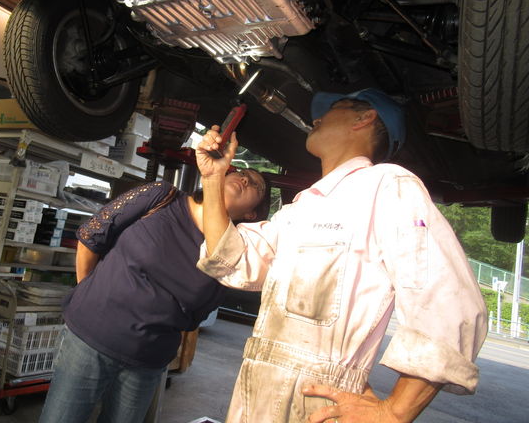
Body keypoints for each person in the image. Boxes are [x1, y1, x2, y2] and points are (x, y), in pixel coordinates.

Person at [195, 88, 488, 423]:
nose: (317, 119)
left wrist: (394, 412)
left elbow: (449, 302)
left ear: (364, 118)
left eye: (333, 108)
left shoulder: (389, 186)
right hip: (254, 392)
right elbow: (232, 259)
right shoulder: (302, 208)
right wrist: (213, 178)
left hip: (318, 404)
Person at [39, 168, 269, 423]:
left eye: (255, 185)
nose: (244, 179)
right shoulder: (161, 196)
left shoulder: (230, 258)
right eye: (241, 172)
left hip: (147, 361)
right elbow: (91, 235)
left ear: (252, 214)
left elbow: (196, 315)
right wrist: (89, 292)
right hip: (89, 338)